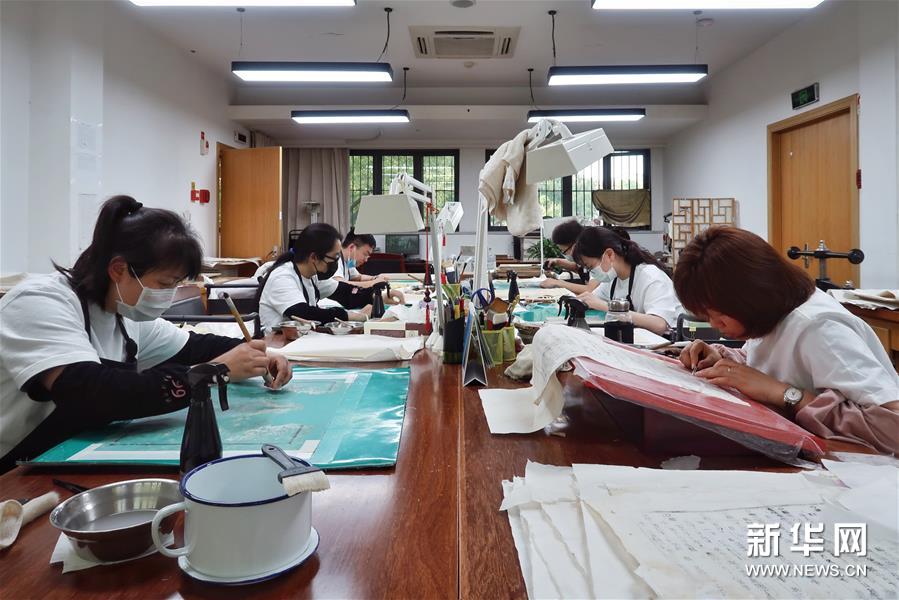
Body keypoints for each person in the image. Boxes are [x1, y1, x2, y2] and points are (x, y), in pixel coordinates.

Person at [0, 196, 291, 472]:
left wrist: (258, 354)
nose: (169, 294)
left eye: (176, 284)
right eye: (164, 284)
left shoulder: (124, 312)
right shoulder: (39, 302)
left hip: (75, 452)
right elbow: (87, 391)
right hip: (16, 471)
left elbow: (193, 347)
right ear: (118, 270)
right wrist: (215, 372)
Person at [675, 226, 899, 454]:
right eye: (707, 317)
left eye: (719, 315)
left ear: (750, 296)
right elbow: (771, 363)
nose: (715, 325)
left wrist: (786, 395)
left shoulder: (819, 329)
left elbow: (894, 428)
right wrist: (723, 360)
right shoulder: (770, 314)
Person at [257, 223, 372, 329]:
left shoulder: (312, 275)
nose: (336, 262)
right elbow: (304, 314)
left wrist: (375, 295)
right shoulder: (282, 277)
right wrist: (352, 316)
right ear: (314, 257)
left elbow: (343, 292)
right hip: (277, 340)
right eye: (334, 257)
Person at [571, 226, 681, 335]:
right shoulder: (612, 280)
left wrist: (608, 307)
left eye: (590, 267)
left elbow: (659, 325)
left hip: (672, 339)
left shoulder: (651, 276)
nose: (591, 273)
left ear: (609, 254)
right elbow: (592, 299)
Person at [331, 228, 404, 309]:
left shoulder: (348, 262)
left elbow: (358, 277)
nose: (366, 260)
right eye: (365, 254)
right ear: (352, 247)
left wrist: (375, 278)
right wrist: (373, 283)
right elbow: (339, 284)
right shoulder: (335, 260)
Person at [539, 219, 597, 295]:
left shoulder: (597, 258)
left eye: (564, 251)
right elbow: (578, 268)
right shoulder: (585, 257)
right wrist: (557, 262)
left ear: (575, 246)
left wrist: (559, 283)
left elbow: (590, 289)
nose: (565, 254)